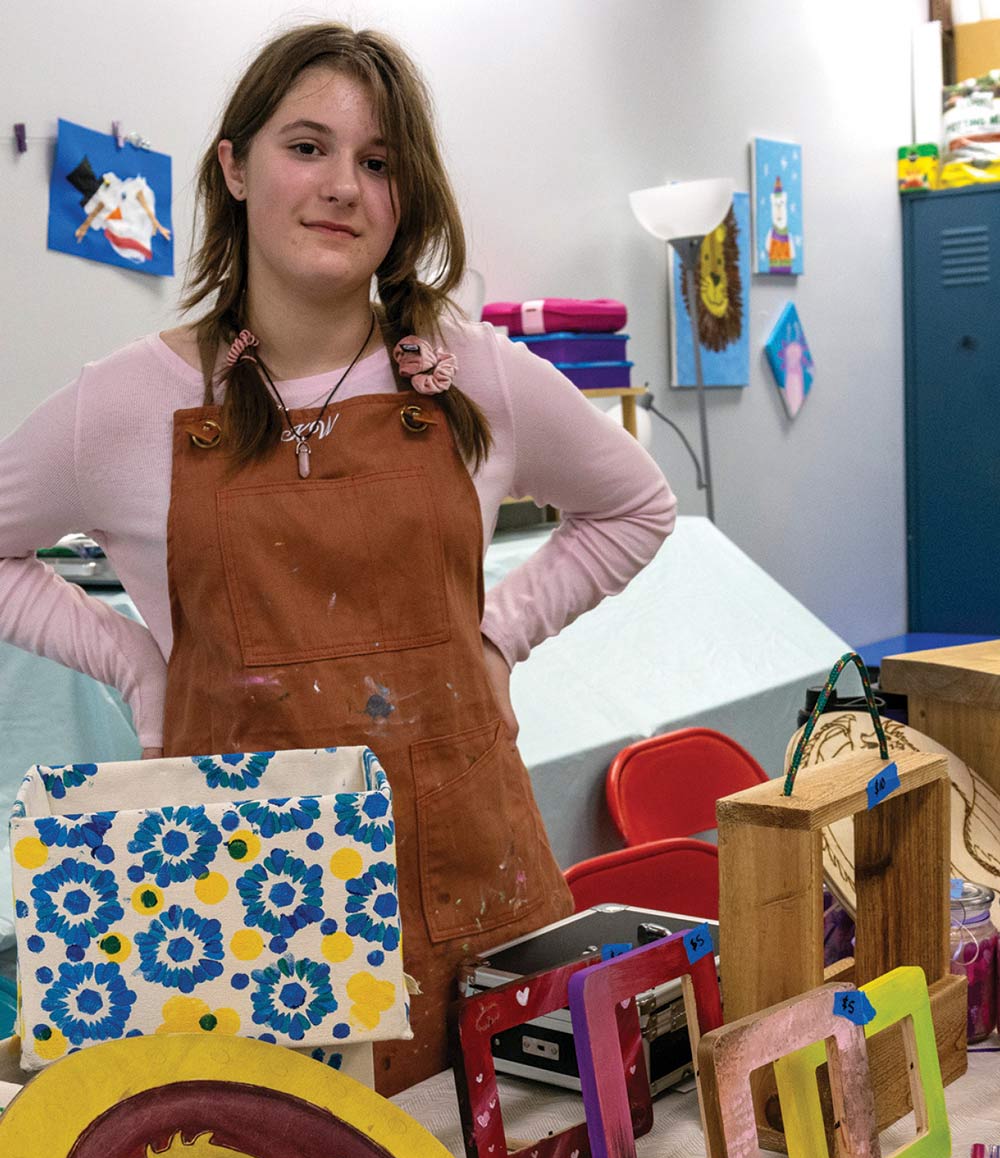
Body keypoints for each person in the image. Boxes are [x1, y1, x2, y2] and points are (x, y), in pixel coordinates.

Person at [0, 23, 676, 1094]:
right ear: (233, 166)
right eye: (306, 147)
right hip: (246, 913)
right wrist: (133, 662)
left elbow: (637, 504)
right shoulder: (123, 404)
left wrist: (499, 635)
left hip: (470, 887)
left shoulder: (473, 377)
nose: (342, 187)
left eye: (377, 161)